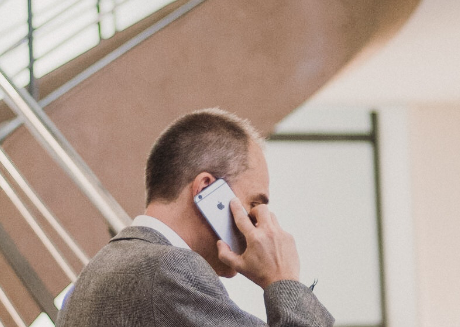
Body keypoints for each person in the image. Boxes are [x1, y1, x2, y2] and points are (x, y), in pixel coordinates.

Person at [57, 108, 334, 327]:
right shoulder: (169, 270)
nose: (258, 224)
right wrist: (283, 279)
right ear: (207, 190)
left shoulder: (94, 274)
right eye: (254, 204)